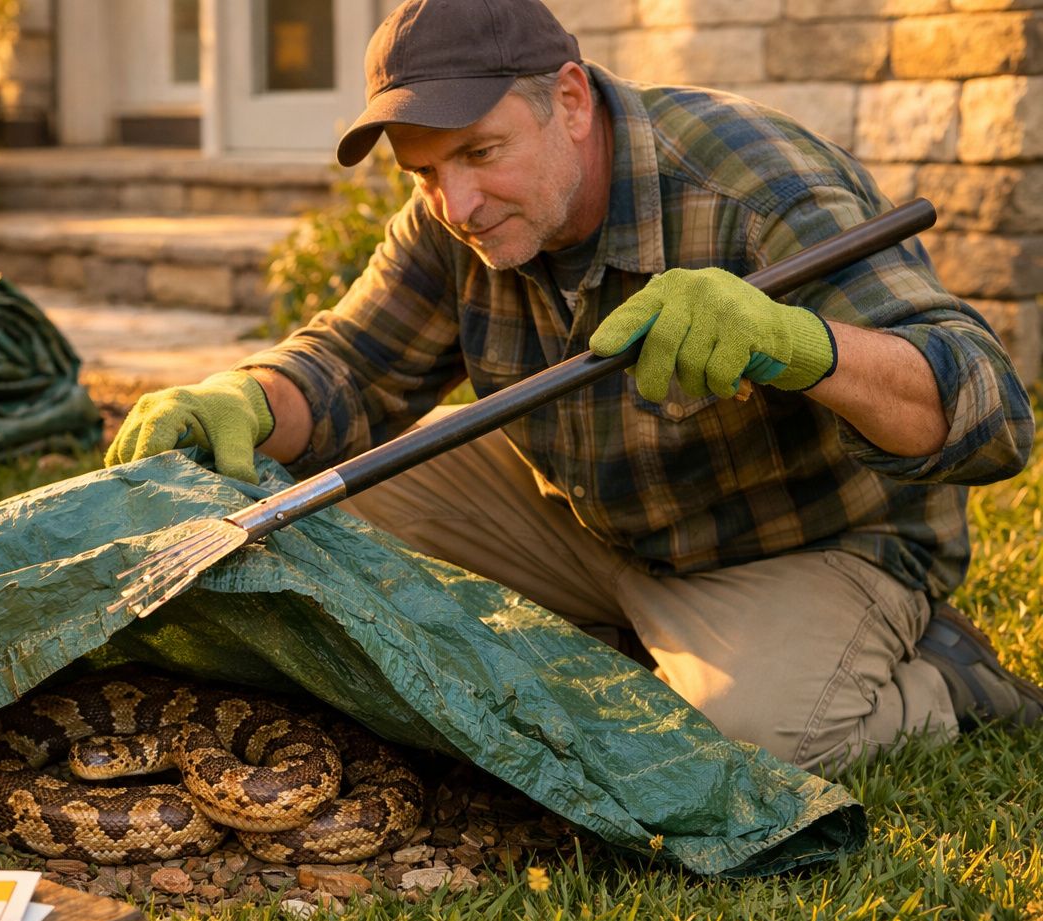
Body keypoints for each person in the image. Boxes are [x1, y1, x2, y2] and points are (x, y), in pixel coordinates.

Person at [105, 0, 1041, 773]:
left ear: (570, 99)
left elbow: (993, 414)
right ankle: (634, 638)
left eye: (479, 154)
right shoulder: (452, 213)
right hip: (582, 514)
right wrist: (249, 399)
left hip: (798, 543)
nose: (456, 205)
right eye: (424, 172)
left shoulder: (751, 184)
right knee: (290, 523)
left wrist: (799, 345)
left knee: (753, 745)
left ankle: (946, 685)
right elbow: (351, 367)